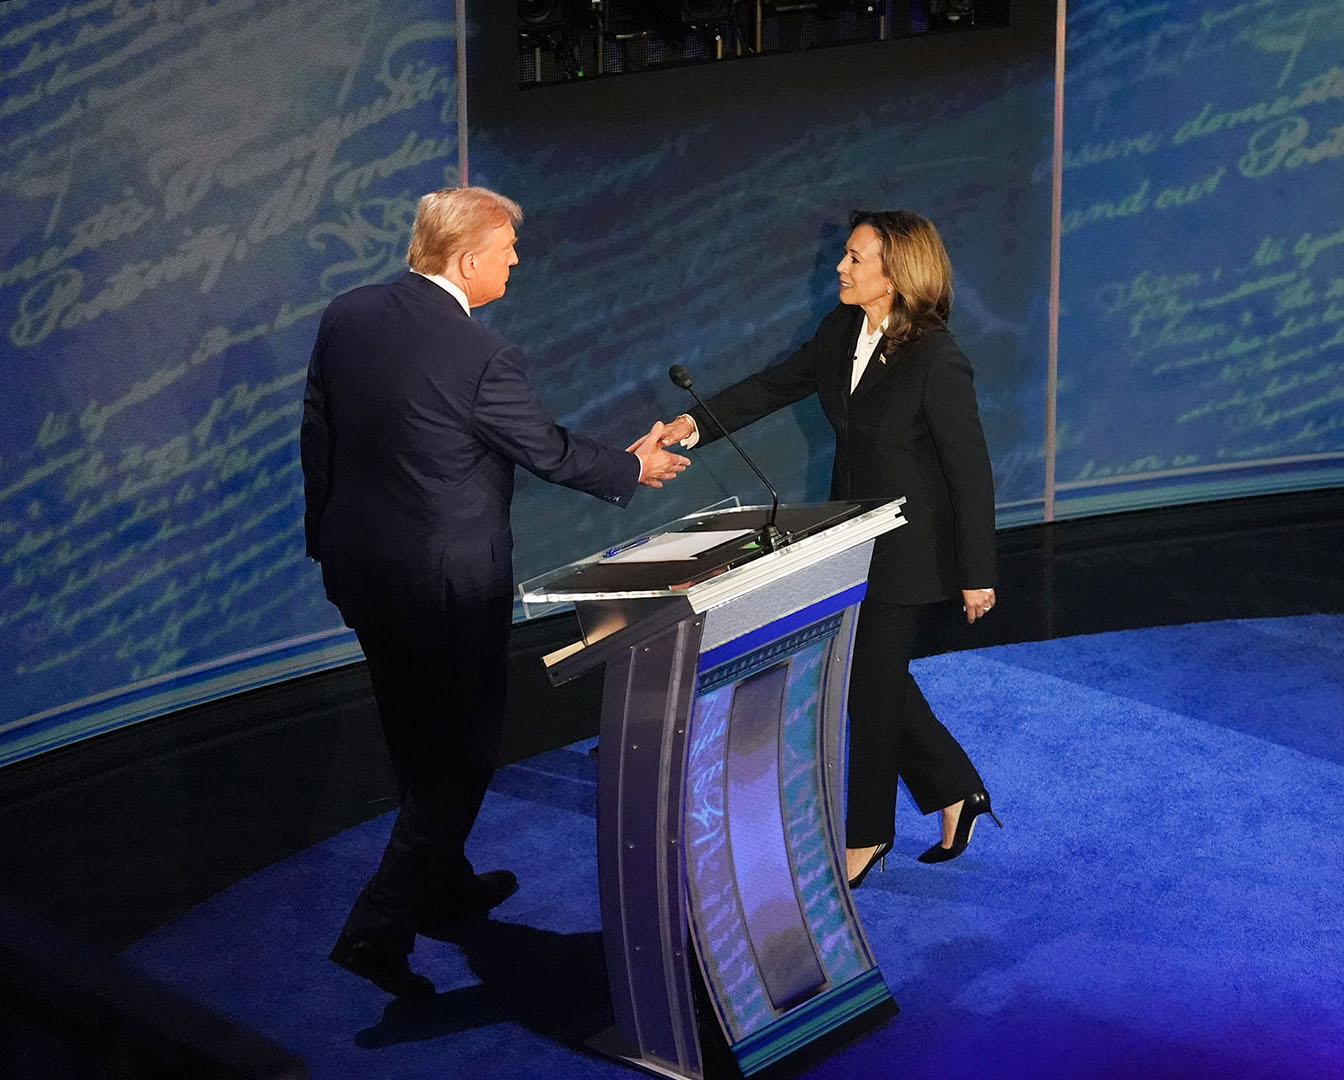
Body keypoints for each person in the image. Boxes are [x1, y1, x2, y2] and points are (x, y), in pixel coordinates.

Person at [300, 186, 689, 999]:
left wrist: (328, 547)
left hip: (363, 572)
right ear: (470, 260)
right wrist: (634, 467)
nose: (516, 260)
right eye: (508, 248)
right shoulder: (480, 354)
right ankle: (377, 931)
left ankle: (443, 887)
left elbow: (318, 436)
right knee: (463, 759)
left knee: (415, 734)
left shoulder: (349, 314)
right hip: (446, 586)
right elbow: (544, 450)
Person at [656, 209, 1000, 888]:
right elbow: (772, 385)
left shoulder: (937, 358)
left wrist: (977, 573)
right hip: (851, 536)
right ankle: (958, 788)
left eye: (854, 258)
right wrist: (694, 423)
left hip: (912, 548)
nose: (839, 268)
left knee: (868, 690)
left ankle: (868, 836)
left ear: (896, 273)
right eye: (844, 256)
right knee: (877, 679)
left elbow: (971, 472)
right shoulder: (840, 329)